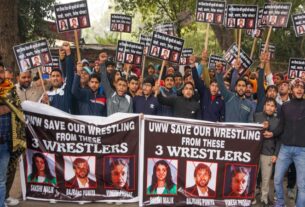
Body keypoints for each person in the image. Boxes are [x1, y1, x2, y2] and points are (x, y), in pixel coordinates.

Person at [266, 78, 305, 207]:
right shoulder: (285, 106)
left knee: (302, 185)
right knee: (277, 180)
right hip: (285, 149)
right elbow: (280, 126)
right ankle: (281, 203)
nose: (299, 89)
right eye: (296, 87)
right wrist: (272, 133)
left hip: (302, 151)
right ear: (292, 89)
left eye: (302, 87)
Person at [0, 64, 25, 207]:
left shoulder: (10, 89)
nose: (0, 75)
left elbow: (17, 109)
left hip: (6, 142)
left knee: (2, 179)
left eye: (1, 72)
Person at [254, 98, 280, 206]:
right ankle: (250, 196)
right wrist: (261, 128)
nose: (269, 107)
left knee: (266, 178)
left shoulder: (278, 121)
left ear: (275, 108)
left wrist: (276, 154)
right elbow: (250, 131)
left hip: (268, 153)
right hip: (254, 152)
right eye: (268, 105)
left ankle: (264, 198)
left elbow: (279, 139)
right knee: (252, 176)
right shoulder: (256, 116)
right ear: (264, 106)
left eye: (272, 105)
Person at [40, 42, 74, 113]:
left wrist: (68, 52)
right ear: (50, 78)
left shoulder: (66, 89)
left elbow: (70, 72)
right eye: (53, 76)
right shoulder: (46, 95)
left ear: (62, 79)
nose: (55, 78)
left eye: (58, 76)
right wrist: (43, 103)